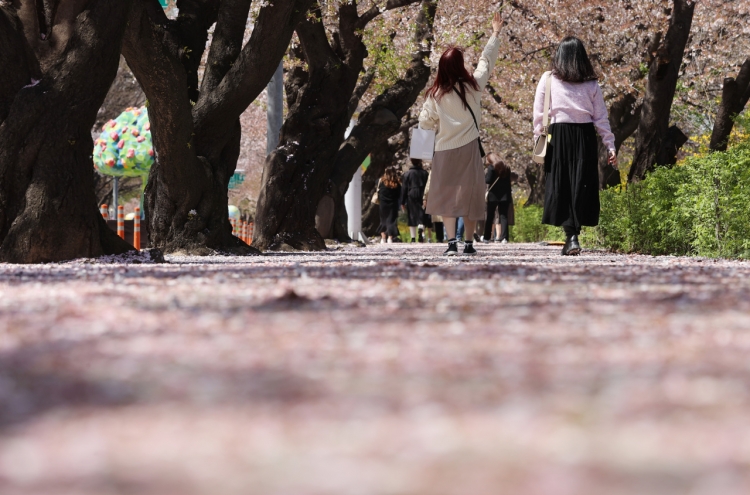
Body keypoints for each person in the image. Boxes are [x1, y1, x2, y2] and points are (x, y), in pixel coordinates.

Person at [419, 12, 503, 256]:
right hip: (468, 149)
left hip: (444, 150)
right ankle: (468, 243)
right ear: (460, 65)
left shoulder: (435, 94)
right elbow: (486, 62)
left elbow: (424, 121)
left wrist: (425, 144)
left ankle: (450, 244)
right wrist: (495, 33)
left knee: (446, 196)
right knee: (469, 196)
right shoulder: (474, 87)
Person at [534, 36, 617, 256]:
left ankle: (571, 235)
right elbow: (601, 118)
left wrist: (537, 139)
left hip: (560, 135)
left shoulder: (549, 79)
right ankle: (573, 236)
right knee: (580, 184)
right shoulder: (590, 84)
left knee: (565, 185)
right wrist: (609, 144)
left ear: (560, 56)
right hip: (584, 136)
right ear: (581, 57)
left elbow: (539, 114)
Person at [482, 153, 512, 243]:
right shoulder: (507, 167)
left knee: (490, 216)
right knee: (504, 216)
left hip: (493, 195)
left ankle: (487, 237)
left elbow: (488, 180)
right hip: (505, 194)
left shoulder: (491, 167)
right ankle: (504, 238)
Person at [400, 159, 430, 242]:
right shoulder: (425, 173)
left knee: (412, 215)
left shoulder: (407, 174)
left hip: (411, 194)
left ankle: (413, 238)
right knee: (422, 213)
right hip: (422, 193)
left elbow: (404, 188)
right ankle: (421, 228)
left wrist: (402, 201)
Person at [378, 167, 402, 244]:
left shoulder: (381, 181)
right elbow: (399, 194)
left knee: (383, 220)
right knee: (392, 221)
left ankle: (383, 238)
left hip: (383, 204)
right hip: (393, 204)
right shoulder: (397, 183)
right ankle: (390, 238)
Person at [423, 172, 445, 243]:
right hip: (449, 194)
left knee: (438, 218)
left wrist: (425, 197)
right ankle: (454, 237)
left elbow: (428, 186)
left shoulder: (434, 170)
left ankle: (439, 237)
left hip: (437, 195)